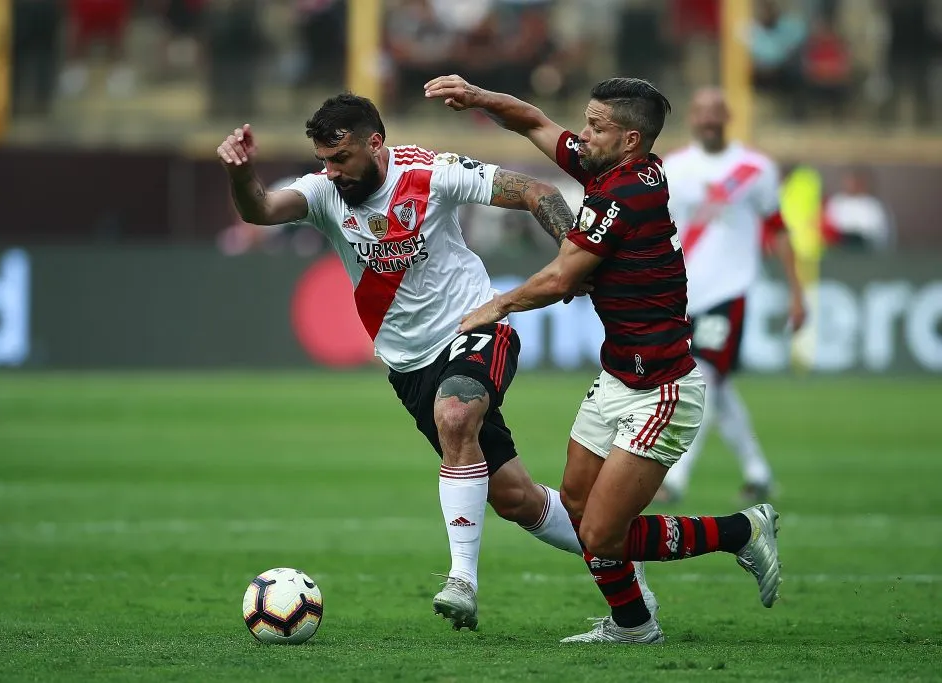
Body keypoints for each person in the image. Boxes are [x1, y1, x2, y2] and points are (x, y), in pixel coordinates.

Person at [215, 93, 656, 632]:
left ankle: (462, 580)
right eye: (323, 161)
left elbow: (535, 191)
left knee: (456, 414)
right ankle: (624, 572)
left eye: (340, 159)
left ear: (376, 144)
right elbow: (259, 209)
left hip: (476, 325)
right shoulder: (324, 192)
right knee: (515, 498)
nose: (330, 172)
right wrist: (241, 174)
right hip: (407, 364)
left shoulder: (432, 173)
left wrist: (573, 253)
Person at [424, 74, 782, 644]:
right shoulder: (611, 167)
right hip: (617, 376)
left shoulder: (626, 194)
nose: (583, 134)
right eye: (587, 121)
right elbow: (536, 122)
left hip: (662, 388)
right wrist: (479, 97)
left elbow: (565, 276)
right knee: (574, 501)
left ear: (631, 140)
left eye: (596, 126)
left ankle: (740, 531)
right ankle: (633, 624)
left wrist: (496, 306)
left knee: (600, 533)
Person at [656, 87, 806, 504]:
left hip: (730, 291)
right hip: (683, 293)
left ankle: (675, 478)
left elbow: (778, 229)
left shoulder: (754, 168)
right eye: (701, 112)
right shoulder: (674, 167)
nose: (708, 120)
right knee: (715, 386)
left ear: (728, 117)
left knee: (700, 379)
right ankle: (758, 472)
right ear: (691, 117)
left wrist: (797, 294)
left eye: (716, 112)